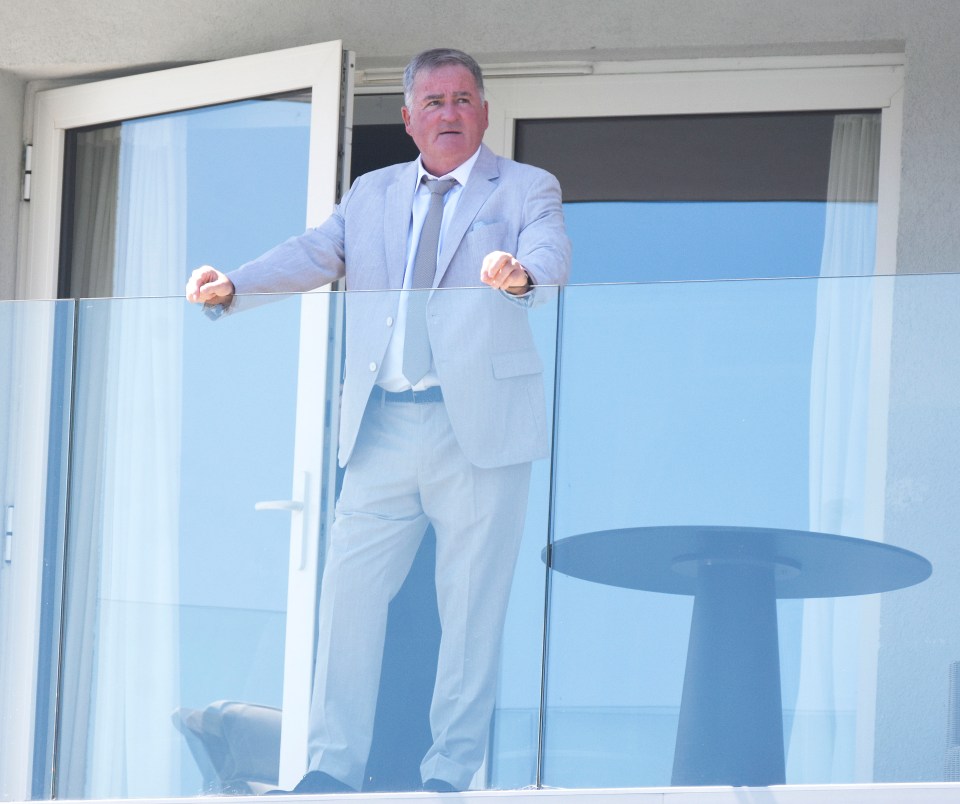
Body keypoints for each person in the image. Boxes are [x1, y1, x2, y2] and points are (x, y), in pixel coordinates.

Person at [186, 48, 571, 794]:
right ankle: (330, 767)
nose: (449, 113)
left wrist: (524, 277)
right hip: (382, 426)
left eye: (463, 100)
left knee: (470, 609)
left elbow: (548, 250)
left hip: (480, 430)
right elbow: (314, 252)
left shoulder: (525, 186)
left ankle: (450, 775)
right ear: (408, 119)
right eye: (433, 102)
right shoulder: (371, 194)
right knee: (350, 604)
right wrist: (235, 286)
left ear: (484, 112)